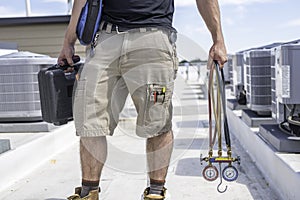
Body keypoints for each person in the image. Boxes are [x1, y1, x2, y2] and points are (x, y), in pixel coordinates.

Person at [58, 0, 227, 199]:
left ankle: (155, 193)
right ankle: (89, 193)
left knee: (157, 122)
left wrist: (218, 39)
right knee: (89, 121)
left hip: (153, 39)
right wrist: (68, 41)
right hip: (105, 39)